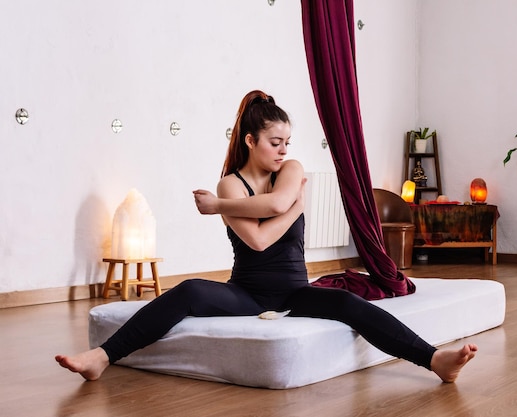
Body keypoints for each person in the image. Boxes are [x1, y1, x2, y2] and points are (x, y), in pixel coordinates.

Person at [55, 90, 477, 383]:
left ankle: (433, 359)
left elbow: (275, 208)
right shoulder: (230, 184)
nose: (282, 149)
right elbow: (257, 242)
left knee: (348, 303)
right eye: (275, 142)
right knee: (186, 291)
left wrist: (228, 209)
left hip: (295, 290)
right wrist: (283, 205)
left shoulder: (282, 173)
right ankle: (101, 357)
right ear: (251, 140)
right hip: (246, 294)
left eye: (286, 142)